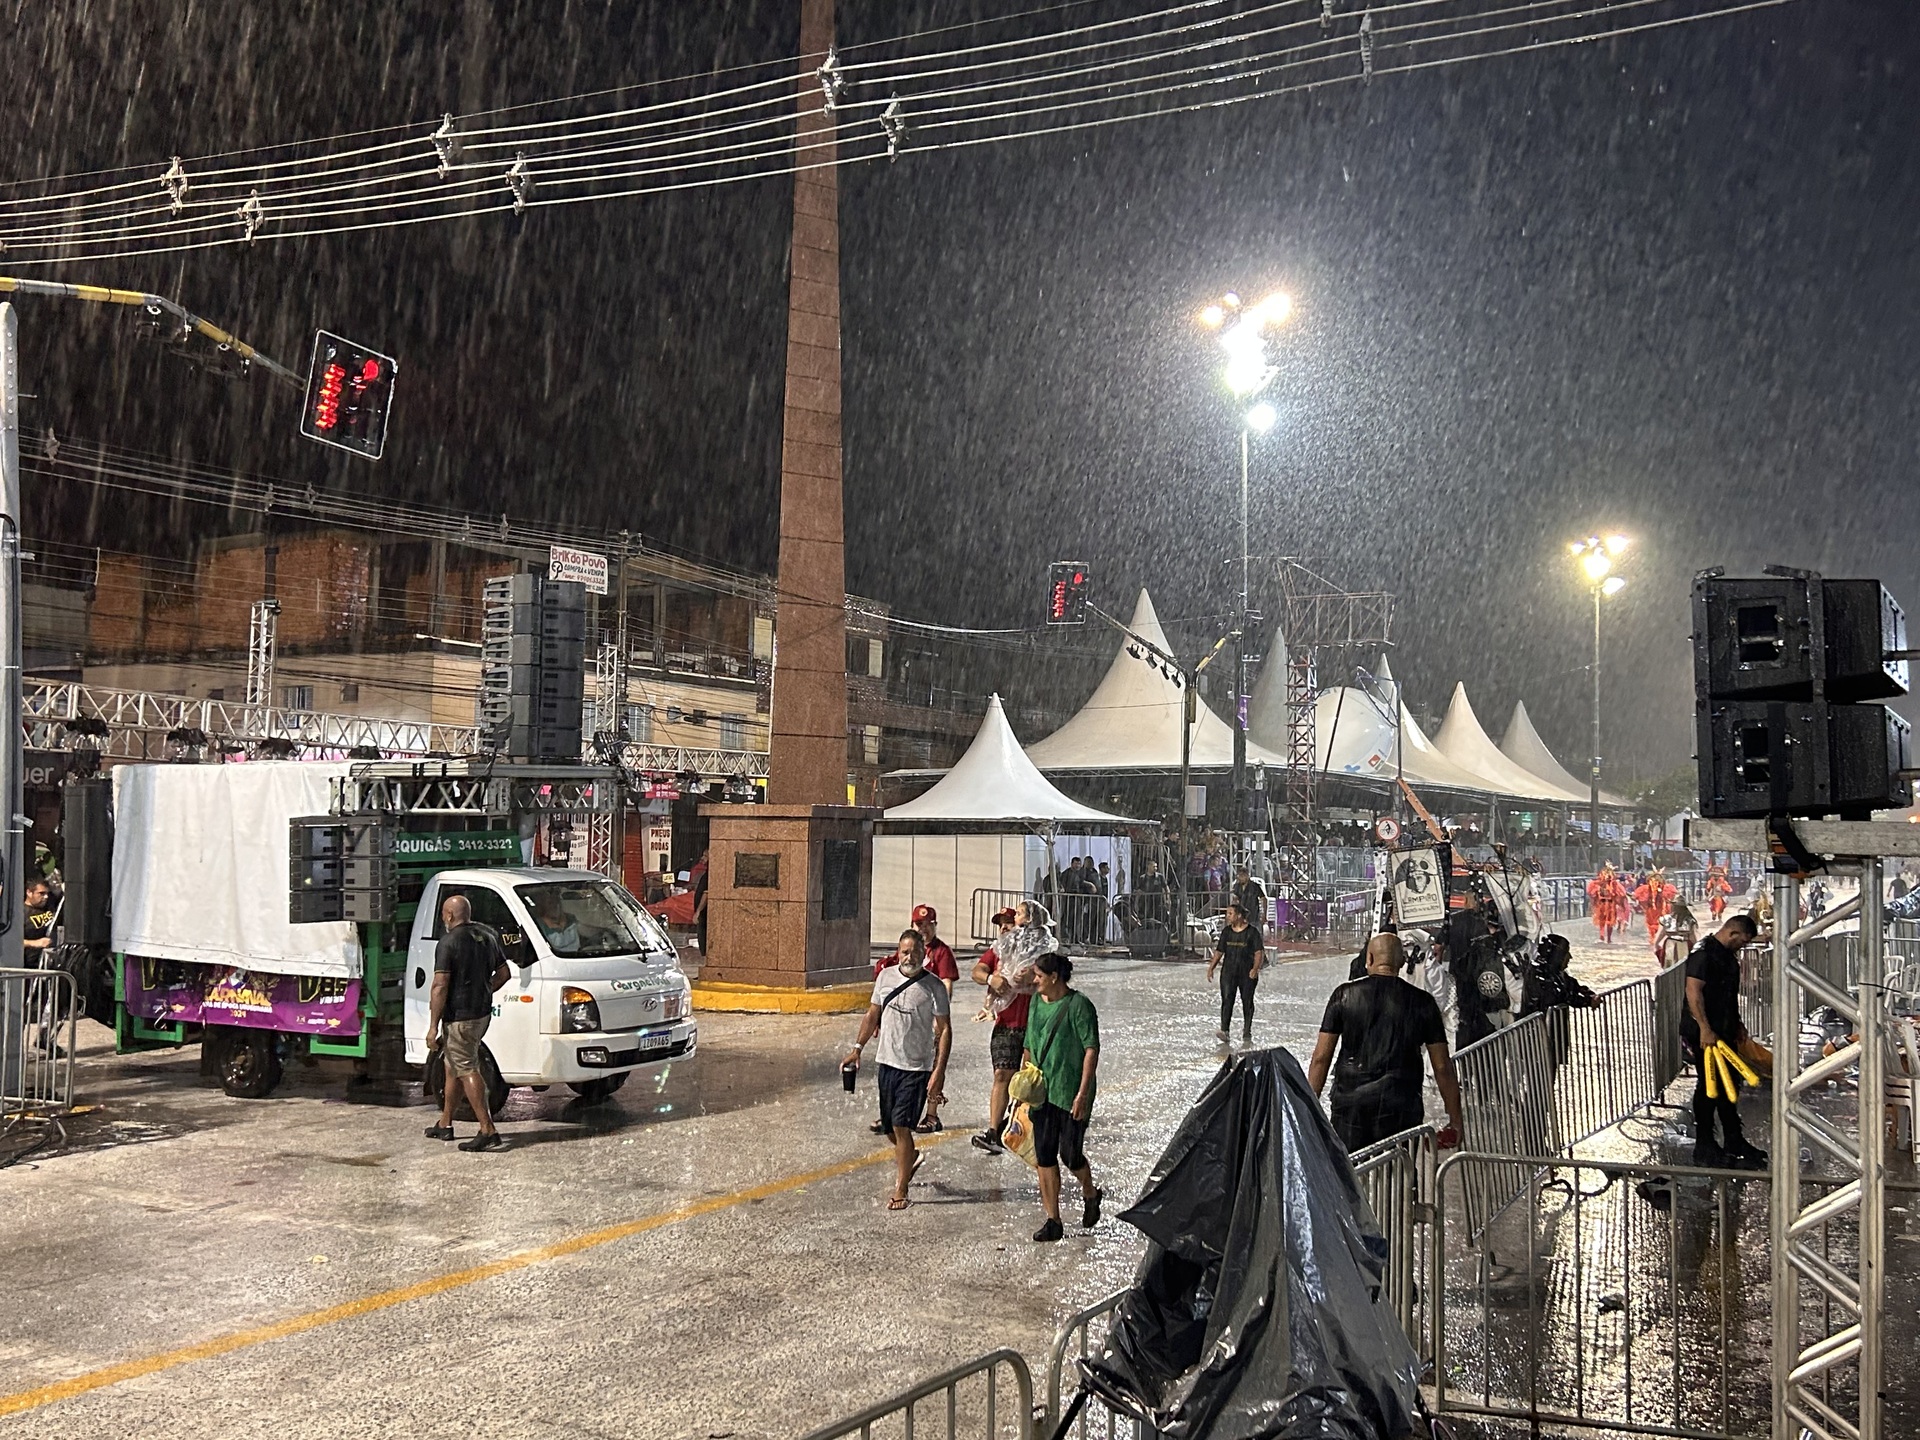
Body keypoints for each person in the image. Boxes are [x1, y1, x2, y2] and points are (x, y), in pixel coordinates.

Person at [1307, 933, 1465, 1153]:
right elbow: (1442, 1067)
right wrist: (1455, 1120)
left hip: (1351, 1106)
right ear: (1401, 962)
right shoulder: (1423, 1003)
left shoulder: (1343, 996)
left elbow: (1321, 1059)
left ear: (1369, 959)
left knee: (1350, 1173)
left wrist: (1308, 1110)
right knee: (1401, 1174)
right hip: (1402, 1106)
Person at [845, 931, 952, 1210]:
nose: (910, 957)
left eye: (915, 952)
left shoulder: (934, 986)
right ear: (898, 952)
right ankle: (911, 1157)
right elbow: (872, 1015)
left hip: (916, 1067)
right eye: (905, 952)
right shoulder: (885, 977)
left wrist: (938, 1072)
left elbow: (944, 1029)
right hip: (887, 1063)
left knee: (902, 1126)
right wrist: (857, 1048)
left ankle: (901, 1188)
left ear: (924, 954)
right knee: (891, 1129)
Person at [1024, 953, 1102, 1242]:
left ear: (1054, 977)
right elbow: (1030, 1045)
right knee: (1044, 1156)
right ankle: (1053, 1220)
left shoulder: (1079, 1006)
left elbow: (1091, 1049)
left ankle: (1090, 1192)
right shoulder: (1035, 1003)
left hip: (1070, 1092)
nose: (1035, 981)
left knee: (1070, 1154)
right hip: (1042, 1093)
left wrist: (1082, 1094)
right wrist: (1024, 1084)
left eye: (1039, 976)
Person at [425, 893, 511, 1152]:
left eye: (444, 914)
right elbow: (504, 973)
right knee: (453, 1066)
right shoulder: (487, 936)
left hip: (460, 1017)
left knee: (466, 1068)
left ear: (449, 915)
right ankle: (445, 1123)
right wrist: (484, 991)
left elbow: (440, 986)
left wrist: (432, 1026)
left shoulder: (448, 942)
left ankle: (488, 1129)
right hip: (481, 1013)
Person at [1681, 913, 1765, 1169]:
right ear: (1732, 933)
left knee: (1730, 1083)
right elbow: (1693, 992)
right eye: (1743, 941)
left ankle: (1733, 1138)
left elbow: (1728, 995)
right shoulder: (1703, 954)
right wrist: (1705, 1028)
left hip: (1724, 1030)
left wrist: (1737, 1024)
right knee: (1710, 1085)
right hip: (1704, 1032)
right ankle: (1705, 1144)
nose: (1744, 946)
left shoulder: (1728, 957)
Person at [970, 907, 1029, 1153]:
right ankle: (994, 1131)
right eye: (1001, 924)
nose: (1004, 927)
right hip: (1005, 1025)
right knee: (1001, 1076)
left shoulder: (1031, 952)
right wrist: (990, 979)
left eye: (1009, 922)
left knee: (1027, 1083)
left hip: (1031, 1025)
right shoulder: (996, 952)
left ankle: (1019, 1127)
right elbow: (977, 971)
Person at [908, 904, 961, 1132]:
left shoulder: (942, 952)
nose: (924, 929)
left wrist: (938, 1015)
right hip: (911, 1021)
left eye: (928, 925)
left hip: (932, 1021)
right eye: (920, 925)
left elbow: (946, 984)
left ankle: (932, 1114)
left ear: (935, 925)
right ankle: (902, 1111)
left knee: (936, 1065)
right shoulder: (909, 950)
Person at [1207, 901, 1265, 1045]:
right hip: (1229, 972)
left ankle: (1247, 1030)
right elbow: (1219, 951)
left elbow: (1259, 952)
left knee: (1247, 1001)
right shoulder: (1227, 932)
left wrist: (1255, 969)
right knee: (1227, 1000)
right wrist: (1211, 967)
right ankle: (1225, 1030)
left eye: (1230, 914)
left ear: (1239, 916)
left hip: (1246, 973)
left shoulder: (1252, 932)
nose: (1228, 917)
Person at [1634, 867, 1676, 954]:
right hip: (1651, 911)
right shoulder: (1646, 889)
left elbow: (1671, 898)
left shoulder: (1665, 888)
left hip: (1661, 910)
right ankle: (1655, 941)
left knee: (1660, 925)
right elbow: (1640, 898)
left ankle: (1657, 942)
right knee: (1651, 925)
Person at [1588, 863, 1629, 945]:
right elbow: (1592, 893)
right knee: (1601, 921)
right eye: (1605, 874)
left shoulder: (1615, 884)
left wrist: (1620, 903)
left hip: (1611, 905)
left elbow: (1621, 894)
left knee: (1610, 921)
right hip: (1601, 904)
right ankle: (1602, 936)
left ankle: (1609, 938)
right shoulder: (1597, 884)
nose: (1607, 876)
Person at [531, 889, 579, 954]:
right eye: (550, 903)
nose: (555, 905)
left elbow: (586, 930)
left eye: (557, 901)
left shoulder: (571, 919)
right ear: (542, 906)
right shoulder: (537, 925)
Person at [1231, 865, 1268, 939]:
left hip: (1253, 914)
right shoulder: (1237, 886)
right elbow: (1235, 899)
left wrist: (1264, 914)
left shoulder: (1255, 886)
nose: (1240, 878)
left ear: (1247, 876)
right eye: (1239, 876)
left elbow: (1264, 899)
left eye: (1242, 876)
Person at [692, 850, 710, 955]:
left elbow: (706, 893)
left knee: (703, 939)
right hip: (702, 914)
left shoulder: (710, 874)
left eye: (705, 856)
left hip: (704, 914)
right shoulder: (706, 872)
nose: (702, 858)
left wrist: (698, 911)